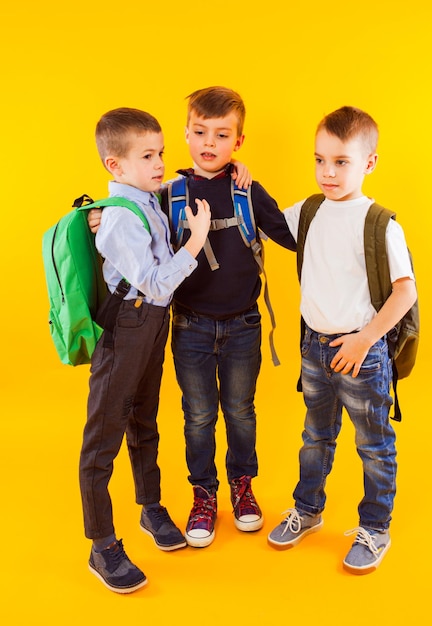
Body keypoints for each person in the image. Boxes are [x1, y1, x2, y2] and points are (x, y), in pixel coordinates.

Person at [267, 106, 417, 573]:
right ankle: (308, 511)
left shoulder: (380, 222)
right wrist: (239, 178)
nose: (327, 172)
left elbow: (405, 291)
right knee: (315, 436)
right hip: (314, 347)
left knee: (373, 445)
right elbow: (268, 222)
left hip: (361, 353)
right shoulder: (309, 210)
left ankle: (375, 528)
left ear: (368, 163)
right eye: (319, 160)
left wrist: (366, 339)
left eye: (341, 162)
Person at [79, 107, 211, 594]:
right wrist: (195, 243)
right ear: (115, 166)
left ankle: (150, 506)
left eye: (161, 153)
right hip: (127, 327)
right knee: (103, 438)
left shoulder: (146, 200)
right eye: (147, 156)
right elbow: (155, 281)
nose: (160, 164)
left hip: (153, 323)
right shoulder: (117, 218)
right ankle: (102, 544)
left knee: (144, 420)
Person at [161, 86, 296, 548]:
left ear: (238, 142)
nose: (209, 143)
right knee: (197, 415)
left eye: (221, 135)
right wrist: (100, 217)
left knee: (240, 412)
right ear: (186, 133)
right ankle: (203, 494)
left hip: (243, 327)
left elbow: (289, 233)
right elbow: (136, 230)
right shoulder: (168, 194)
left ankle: (243, 486)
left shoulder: (247, 190)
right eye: (200, 132)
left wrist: (348, 219)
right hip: (190, 326)